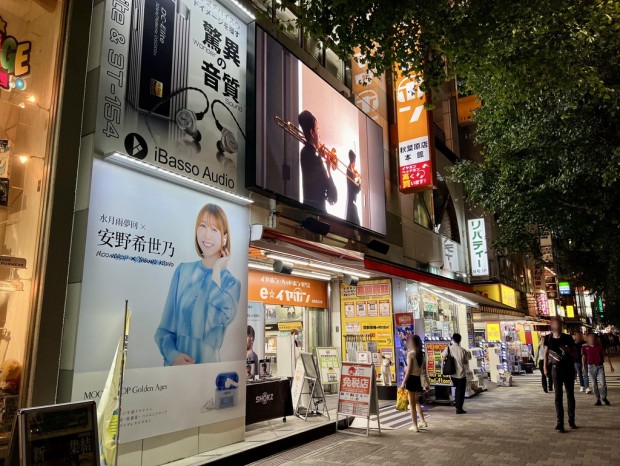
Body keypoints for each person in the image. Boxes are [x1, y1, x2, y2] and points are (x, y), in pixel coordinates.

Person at [155, 204, 241, 365]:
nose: (207, 235)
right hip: (175, 373)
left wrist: (217, 272)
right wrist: (173, 356)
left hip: (209, 377)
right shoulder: (182, 271)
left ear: (224, 238)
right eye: (203, 226)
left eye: (214, 229)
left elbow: (215, 322)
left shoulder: (232, 284)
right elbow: (164, 331)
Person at [298, 110, 338, 211]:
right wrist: (328, 169)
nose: (319, 134)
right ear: (312, 133)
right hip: (318, 213)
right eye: (318, 130)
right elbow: (333, 197)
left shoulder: (305, 151)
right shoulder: (313, 156)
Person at [544, 317, 577, 432]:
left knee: (570, 395)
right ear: (552, 325)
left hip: (568, 369)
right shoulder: (548, 338)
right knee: (558, 396)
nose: (558, 326)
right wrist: (545, 367)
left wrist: (568, 350)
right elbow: (546, 353)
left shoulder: (568, 338)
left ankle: (571, 420)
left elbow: (575, 353)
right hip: (556, 369)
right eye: (555, 324)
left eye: (559, 324)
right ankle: (560, 423)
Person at [401, 335, 429, 432]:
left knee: (412, 404)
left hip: (411, 380)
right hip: (418, 380)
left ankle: (415, 425)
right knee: (416, 402)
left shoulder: (411, 354)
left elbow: (409, 370)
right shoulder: (423, 355)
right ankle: (422, 421)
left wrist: (403, 382)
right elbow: (423, 371)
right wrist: (427, 383)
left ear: (412, 343)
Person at [582, 333, 615, 406]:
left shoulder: (599, 346)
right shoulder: (585, 347)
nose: (592, 340)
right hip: (591, 367)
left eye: (593, 339)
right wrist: (583, 366)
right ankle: (598, 399)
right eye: (590, 339)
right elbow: (584, 356)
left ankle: (604, 397)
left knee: (603, 384)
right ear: (588, 339)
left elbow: (605, 355)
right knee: (594, 385)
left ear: (595, 339)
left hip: (600, 366)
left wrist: (611, 366)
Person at [442, 333, 471, 414]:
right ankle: (459, 408)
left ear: (453, 339)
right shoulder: (463, 350)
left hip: (452, 373)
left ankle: (458, 406)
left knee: (457, 389)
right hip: (461, 374)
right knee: (460, 391)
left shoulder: (448, 348)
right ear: (460, 340)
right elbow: (465, 362)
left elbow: (443, 358)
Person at [346, 150, 361, 224]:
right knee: (356, 224)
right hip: (352, 203)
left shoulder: (350, 170)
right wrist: (359, 180)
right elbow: (356, 190)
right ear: (354, 161)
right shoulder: (349, 170)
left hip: (351, 202)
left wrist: (356, 177)